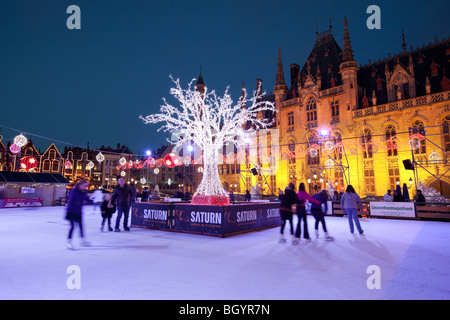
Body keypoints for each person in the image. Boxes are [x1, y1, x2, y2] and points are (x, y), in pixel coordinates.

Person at [65, 179, 90, 249]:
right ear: (80, 184)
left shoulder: (84, 192)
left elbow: (87, 199)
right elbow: (70, 202)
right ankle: (69, 242)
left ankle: (83, 240)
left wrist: (95, 202)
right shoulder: (74, 191)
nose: (85, 187)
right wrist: (68, 213)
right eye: (84, 185)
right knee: (72, 227)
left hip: (79, 212)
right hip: (72, 212)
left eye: (86, 186)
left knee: (81, 226)